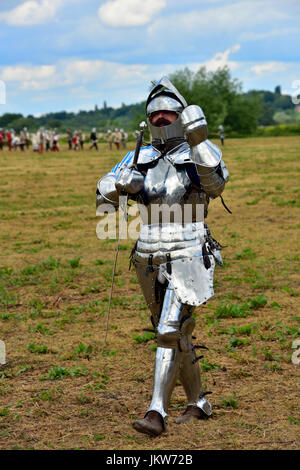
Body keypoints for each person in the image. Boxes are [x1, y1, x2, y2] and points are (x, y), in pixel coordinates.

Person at [96, 77, 229, 437]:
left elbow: (217, 184)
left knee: (167, 330)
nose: (160, 119)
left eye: (168, 113)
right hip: (146, 255)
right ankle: (199, 402)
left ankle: (156, 412)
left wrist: (199, 141)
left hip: (189, 251)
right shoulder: (138, 155)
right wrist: (122, 186)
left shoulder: (196, 151)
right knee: (174, 332)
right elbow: (103, 196)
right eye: (154, 114)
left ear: (181, 115)